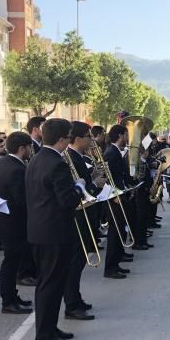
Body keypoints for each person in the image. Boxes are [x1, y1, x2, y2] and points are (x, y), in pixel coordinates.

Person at [25, 118, 81, 340]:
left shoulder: (36, 159)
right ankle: (45, 335)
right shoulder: (57, 164)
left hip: (40, 230)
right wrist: (79, 186)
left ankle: (49, 327)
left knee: (49, 284)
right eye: (69, 137)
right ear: (61, 140)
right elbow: (67, 200)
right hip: (54, 232)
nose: (70, 141)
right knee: (51, 284)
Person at [0, 131, 34, 315]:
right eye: (29, 147)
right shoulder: (17, 168)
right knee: (11, 263)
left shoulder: (2, 163)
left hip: (4, 220)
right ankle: (8, 300)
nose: (31, 150)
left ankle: (12, 296)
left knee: (12, 262)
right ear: (22, 148)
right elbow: (20, 200)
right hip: (13, 222)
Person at [64, 121, 101, 319]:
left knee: (80, 260)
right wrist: (95, 183)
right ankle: (71, 304)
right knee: (75, 261)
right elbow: (80, 190)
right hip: (79, 216)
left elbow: (84, 181)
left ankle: (75, 298)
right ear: (77, 139)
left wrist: (94, 174)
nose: (92, 140)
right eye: (88, 136)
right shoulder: (71, 158)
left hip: (87, 214)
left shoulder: (80, 156)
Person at [102, 124, 131, 279]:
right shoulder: (111, 153)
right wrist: (114, 196)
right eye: (126, 135)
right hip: (115, 199)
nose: (127, 139)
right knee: (114, 233)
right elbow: (108, 178)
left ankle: (116, 263)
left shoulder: (115, 152)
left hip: (119, 195)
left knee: (120, 231)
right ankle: (110, 268)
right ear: (120, 136)